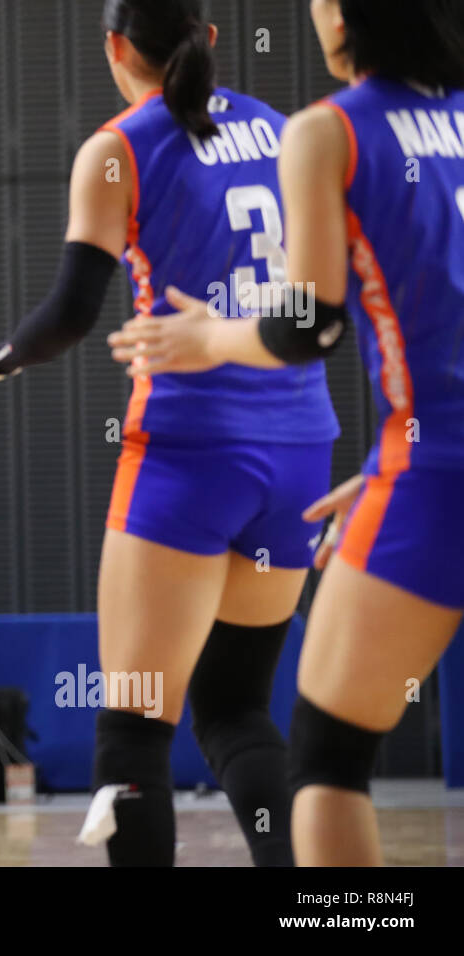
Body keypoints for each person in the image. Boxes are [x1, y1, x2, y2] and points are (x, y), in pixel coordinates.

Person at [0, 0, 339, 866]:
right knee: (237, 711)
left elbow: (71, 315)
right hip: (302, 450)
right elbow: (324, 308)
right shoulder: (287, 130)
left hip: (189, 453)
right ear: (212, 39)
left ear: (116, 47)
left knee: (133, 730)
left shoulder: (119, 147)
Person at [107, 0, 464, 866]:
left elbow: (310, 323)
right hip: (350, 461)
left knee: (328, 757)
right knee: (240, 711)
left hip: (429, 474)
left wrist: (206, 338)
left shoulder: (330, 130)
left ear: (340, 14)